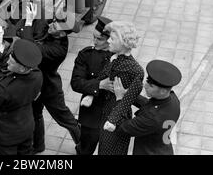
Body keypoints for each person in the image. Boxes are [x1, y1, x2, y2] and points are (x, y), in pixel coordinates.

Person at [17, 0, 81, 154]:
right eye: (54, 21)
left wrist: (29, 21)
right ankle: (38, 146)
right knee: (36, 114)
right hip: (35, 84)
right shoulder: (51, 27)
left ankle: (83, 144)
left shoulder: (58, 49)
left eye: (56, 25)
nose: (51, 25)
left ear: (63, 33)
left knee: (64, 119)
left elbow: (29, 48)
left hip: (48, 87)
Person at [111, 60, 182, 155]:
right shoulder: (173, 99)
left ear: (163, 91)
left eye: (151, 86)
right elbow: (149, 105)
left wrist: (119, 99)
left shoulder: (152, 118)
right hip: (163, 148)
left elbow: (122, 128)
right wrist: (129, 95)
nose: (145, 86)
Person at [97, 21, 144, 155]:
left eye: (112, 38)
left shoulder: (136, 71)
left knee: (113, 151)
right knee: (103, 149)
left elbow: (128, 99)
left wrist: (113, 120)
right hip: (105, 110)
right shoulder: (114, 58)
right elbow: (101, 77)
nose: (109, 41)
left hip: (119, 117)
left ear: (123, 42)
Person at [71, 16, 114, 155]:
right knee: (86, 147)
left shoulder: (119, 57)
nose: (94, 41)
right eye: (93, 37)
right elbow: (76, 83)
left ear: (110, 39)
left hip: (111, 110)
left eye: (99, 39)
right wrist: (99, 84)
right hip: (92, 111)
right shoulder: (86, 55)